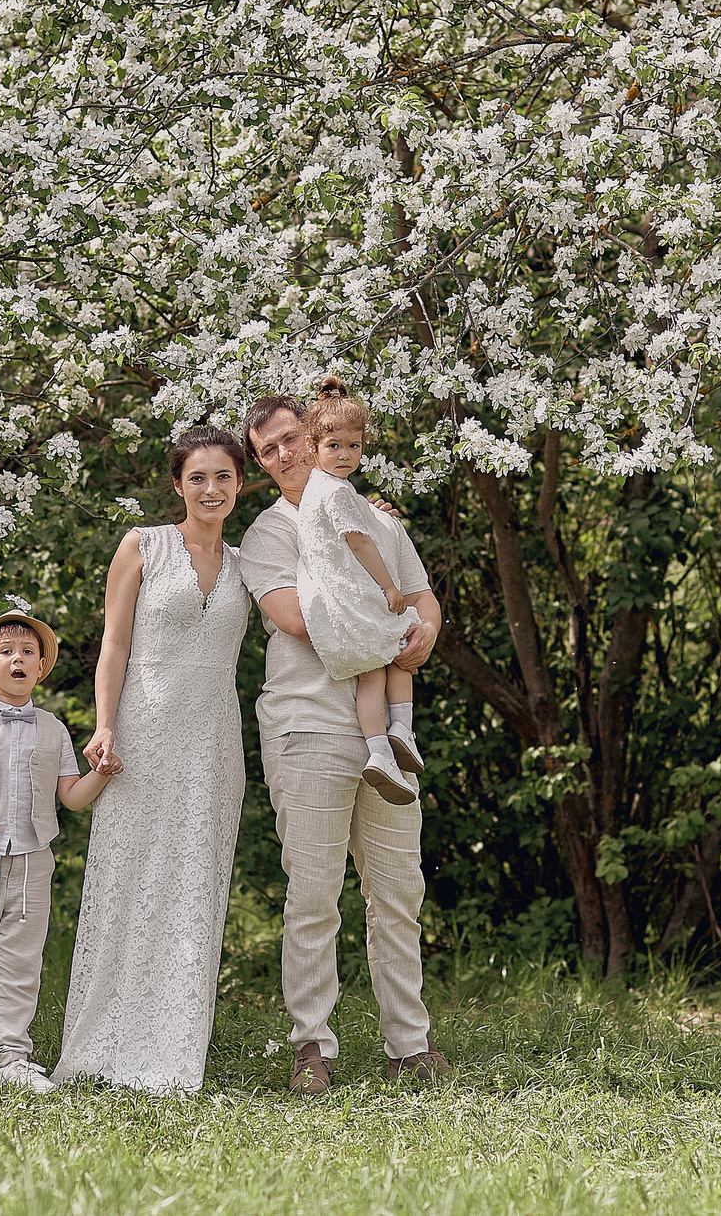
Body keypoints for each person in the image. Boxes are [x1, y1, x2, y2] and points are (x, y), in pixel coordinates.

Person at [238, 391, 450, 1094]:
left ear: (317, 434)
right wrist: (396, 632)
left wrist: (421, 636)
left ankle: (409, 1043)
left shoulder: (373, 517)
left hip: (386, 730)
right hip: (308, 727)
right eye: (267, 449)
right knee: (314, 894)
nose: (284, 454)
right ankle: (311, 1045)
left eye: (291, 437)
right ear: (261, 463)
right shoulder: (270, 534)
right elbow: (301, 619)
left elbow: (422, 598)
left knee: (398, 891)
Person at [53, 425, 254, 1093]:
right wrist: (104, 724)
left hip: (213, 743)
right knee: (125, 882)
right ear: (177, 483)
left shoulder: (250, 562)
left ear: (239, 484)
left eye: (223, 476)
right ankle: (101, 1046)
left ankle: (169, 1055)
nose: (211, 488)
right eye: (197, 476)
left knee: (194, 889)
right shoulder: (143, 543)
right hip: (140, 734)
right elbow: (113, 643)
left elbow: (320, 552)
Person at [0, 609, 119, 1092]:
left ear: (41, 667)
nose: (18, 659)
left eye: (27, 653)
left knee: (20, 961)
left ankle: (13, 1055)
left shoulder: (52, 729)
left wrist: (103, 772)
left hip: (33, 861)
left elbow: (71, 797)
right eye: (6, 652)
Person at [293, 376, 428, 804]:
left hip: (333, 610)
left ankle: (379, 751)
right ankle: (402, 728)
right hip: (354, 601)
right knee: (402, 644)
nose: (345, 455)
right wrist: (390, 586)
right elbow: (359, 542)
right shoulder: (335, 492)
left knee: (371, 676)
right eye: (334, 446)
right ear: (312, 447)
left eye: (353, 446)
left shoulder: (320, 490)